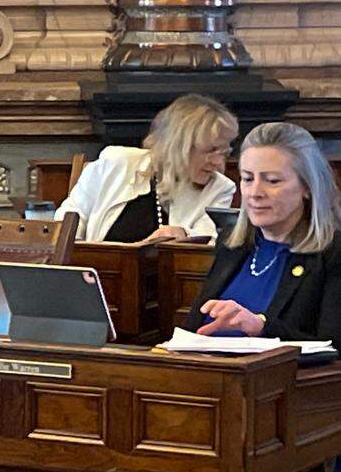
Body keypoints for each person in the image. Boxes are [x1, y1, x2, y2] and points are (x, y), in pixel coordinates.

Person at [183, 122, 341, 348]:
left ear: (307, 186)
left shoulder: (333, 253)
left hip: (282, 382)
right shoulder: (232, 243)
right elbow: (194, 329)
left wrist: (260, 326)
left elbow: (334, 349)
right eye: (248, 179)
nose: (255, 193)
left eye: (273, 181)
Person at [55, 94, 238, 243]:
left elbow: (209, 244)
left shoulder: (219, 188)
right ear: (177, 145)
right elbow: (65, 224)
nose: (219, 164)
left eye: (224, 153)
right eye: (211, 151)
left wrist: (185, 235)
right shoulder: (114, 163)